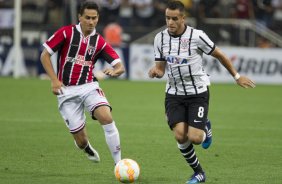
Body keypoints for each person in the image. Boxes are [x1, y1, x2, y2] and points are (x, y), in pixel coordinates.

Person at [148, 1, 255, 183]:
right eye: (167, 18)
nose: (170, 22)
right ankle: (199, 172)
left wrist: (237, 76)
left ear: (183, 18)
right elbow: (160, 68)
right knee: (180, 135)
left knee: (195, 138)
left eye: (174, 18)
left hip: (197, 92)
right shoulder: (160, 38)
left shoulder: (197, 36)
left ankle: (205, 126)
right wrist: (156, 72)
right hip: (174, 93)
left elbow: (219, 55)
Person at [40, 1, 125, 165]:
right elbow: (45, 55)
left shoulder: (99, 41)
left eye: (94, 18)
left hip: (89, 87)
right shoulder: (66, 33)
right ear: (80, 17)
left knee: (106, 117)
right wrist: (54, 80)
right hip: (66, 92)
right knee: (81, 141)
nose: (91, 21)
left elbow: (119, 66)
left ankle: (119, 164)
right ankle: (85, 147)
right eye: (87, 17)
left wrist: (116, 71)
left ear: (98, 19)